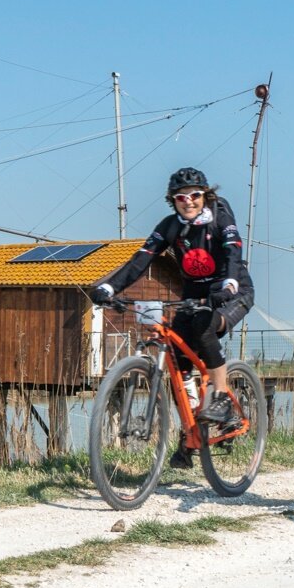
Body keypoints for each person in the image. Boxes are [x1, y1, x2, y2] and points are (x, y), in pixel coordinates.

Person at [91, 167, 252, 447]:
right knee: (179, 360)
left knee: (204, 328)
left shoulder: (220, 216)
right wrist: (109, 287)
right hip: (193, 295)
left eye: (195, 195)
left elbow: (233, 251)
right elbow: (141, 260)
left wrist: (228, 285)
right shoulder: (169, 226)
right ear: (172, 200)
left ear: (206, 195)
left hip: (231, 290)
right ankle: (191, 434)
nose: (188, 201)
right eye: (181, 197)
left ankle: (223, 399)